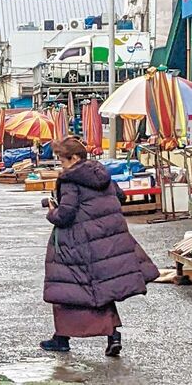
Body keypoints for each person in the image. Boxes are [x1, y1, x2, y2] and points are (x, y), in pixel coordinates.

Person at [41, 136, 159, 357]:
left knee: (66, 290)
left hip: (77, 244)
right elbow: (120, 196)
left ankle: (62, 338)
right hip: (105, 241)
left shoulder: (70, 180)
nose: (61, 164)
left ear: (74, 158)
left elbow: (65, 214)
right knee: (99, 291)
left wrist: (51, 211)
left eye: (62, 160)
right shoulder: (101, 173)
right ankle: (110, 335)